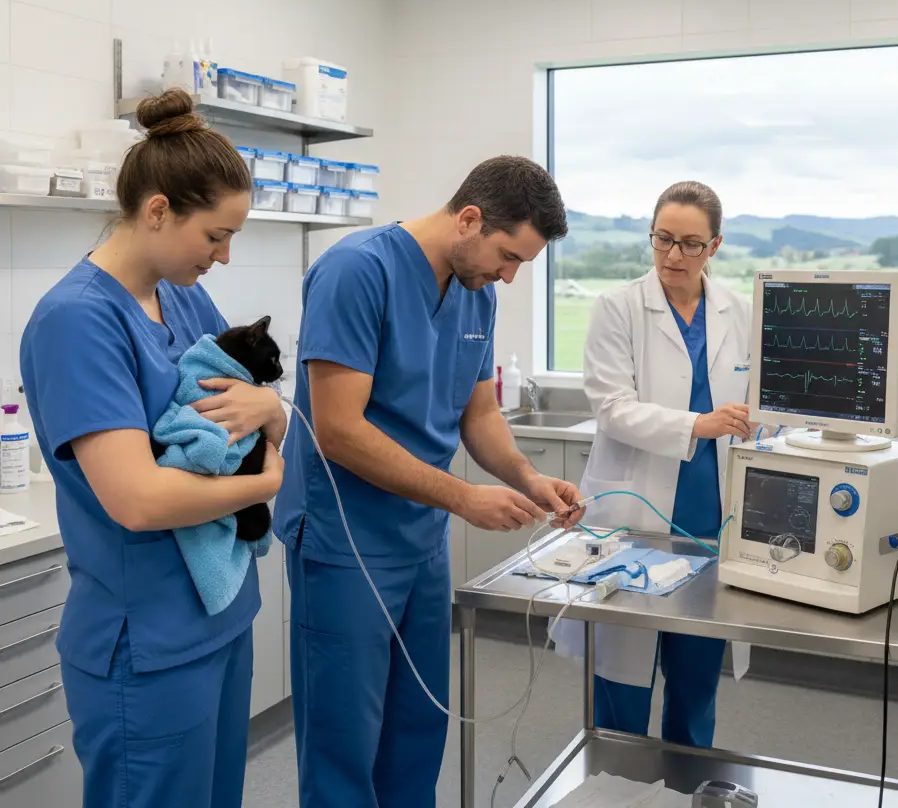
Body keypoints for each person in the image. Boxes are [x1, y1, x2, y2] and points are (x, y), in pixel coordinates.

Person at [273, 155, 584, 808]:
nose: (509, 275)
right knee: (344, 744)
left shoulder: (477, 294)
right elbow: (339, 430)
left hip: (420, 540)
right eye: (508, 256)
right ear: (468, 218)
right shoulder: (358, 271)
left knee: (418, 727)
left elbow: (479, 412)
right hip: (345, 541)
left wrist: (528, 477)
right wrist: (463, 496)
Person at [19, 90, 287, 808]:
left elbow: (250, 406)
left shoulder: (185, 299)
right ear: (159, 210)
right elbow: (139, 500)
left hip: (219, 614)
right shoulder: (76, 322)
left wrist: (272, 407)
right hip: (147, 642)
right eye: (215, 236)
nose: (226, 257)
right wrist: (264, 486)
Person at [556, 181, 752, 748]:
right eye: (662, 239)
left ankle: (686, 790)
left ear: (714, 247)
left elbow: (757, 408)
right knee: (623, 692)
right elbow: (614, 410)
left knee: (694, 692)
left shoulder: (737, 312)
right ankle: (617, 790)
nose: (673, 255)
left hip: (710, 526)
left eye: (690, 244)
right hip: (633, 524)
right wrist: (700, 423)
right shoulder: (617, 309)